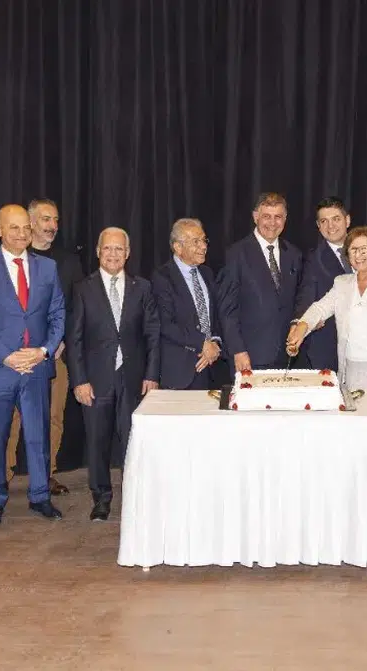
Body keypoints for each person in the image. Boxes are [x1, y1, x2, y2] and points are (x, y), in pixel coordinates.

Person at [0, 204, 66, 527]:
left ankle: (40, 496)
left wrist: (43, 351)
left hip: (36, 366)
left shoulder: (47, 268)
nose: (22, 234)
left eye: (26, 227)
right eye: (14, 228)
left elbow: (58, 315)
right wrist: (6, 356)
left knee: (38, 435)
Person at [66, 227, 160, 521]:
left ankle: (134, 497)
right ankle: (101, 499)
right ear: (98, 252)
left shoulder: (142, 288)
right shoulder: (83, 289)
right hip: (95, 381)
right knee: (97, 442)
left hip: (133, 379)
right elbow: (74, 339)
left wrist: (152, 375)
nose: (113, 254)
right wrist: (79, 380)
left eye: (119, 249)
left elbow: (152, 334)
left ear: (128, 253)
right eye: (107, 248)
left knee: (133, 441)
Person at [10, 199, 84, 496]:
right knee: (12, 416)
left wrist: (62, 340)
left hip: (55, 353)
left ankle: (46, 474)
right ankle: (2, 475)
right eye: (45, 219)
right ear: (30, 222)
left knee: (53, 416)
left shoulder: (68, 262)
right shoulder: (14, 257)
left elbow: (77, 306)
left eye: (55, 220)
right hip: (15, 354)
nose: (52, 226)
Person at [288, 226, 367, 391]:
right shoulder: (342, 283)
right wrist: (302, 326)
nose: (358, 255)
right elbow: (320, 308)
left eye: (363, 249)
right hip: (352, 370)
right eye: (353, 250)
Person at [218, 192, 303, 371]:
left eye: (278, 217)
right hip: (249, 357)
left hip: (286, 357)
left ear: (285, 219)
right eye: (266, 216)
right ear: (255, 217)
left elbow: (298, 299)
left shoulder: (294, 254)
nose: (272, 223)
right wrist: (237, 350)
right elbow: (227, 310)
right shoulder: (236, 254)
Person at [151, 218, 224, 390]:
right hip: (180, 373)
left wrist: (215, 343)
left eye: (204, 240)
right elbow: (165, 324)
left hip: (211, 368)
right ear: (178, 247)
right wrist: (202, 343)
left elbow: (216, 317)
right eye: (196, 241)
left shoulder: (207, 273)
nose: (203, 246)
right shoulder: (162, 277)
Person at [293, 197, 352, 370]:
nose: (330, 226)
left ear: (347, 220)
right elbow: (306, 295)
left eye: (336, 219)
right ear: (318, 226)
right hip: (329, 348)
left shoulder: (366, 251)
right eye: (324, 221)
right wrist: (300, 323)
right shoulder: (312, 260)